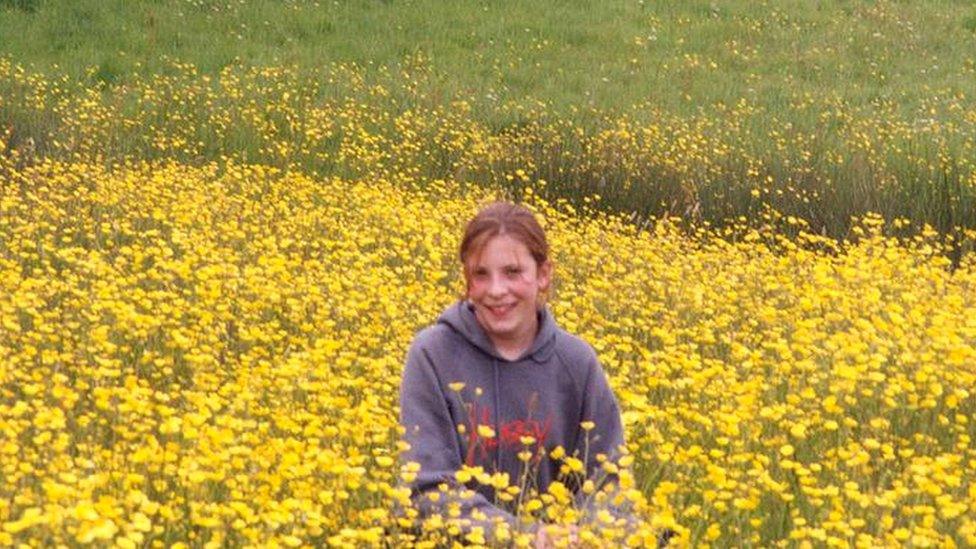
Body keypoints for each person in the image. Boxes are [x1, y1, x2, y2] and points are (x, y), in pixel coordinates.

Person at [397, 201, 641, 547]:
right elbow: (427, 489)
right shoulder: (433, 354)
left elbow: (609, 485)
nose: (496, 290)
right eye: (481, 274)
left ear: (543, 274)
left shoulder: (577, 362)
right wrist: (523, 537)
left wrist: (585, 536)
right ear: (467, 281)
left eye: (512, 272)